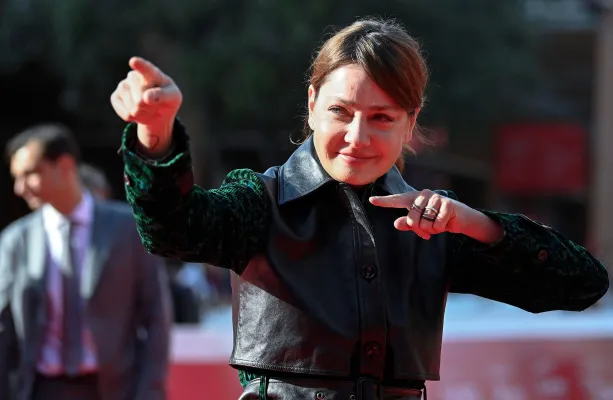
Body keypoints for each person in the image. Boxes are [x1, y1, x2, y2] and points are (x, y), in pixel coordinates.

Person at [110, 18, 609, 400]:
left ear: (410, 122)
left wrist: (477, 225)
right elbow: (172, 229)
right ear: (311, 104)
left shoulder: (436, 225)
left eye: (381, 118)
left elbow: (582, 284)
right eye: (340, 112)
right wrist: (155, 136)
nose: (357, 137)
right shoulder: (260, 203)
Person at [0, 123, 172, 400]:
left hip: (114, 389)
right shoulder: (16, 241)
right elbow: (4, 328)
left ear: (65, 166)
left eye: (30, 174)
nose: (20, 188)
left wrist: (150, 392)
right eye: (16, 178)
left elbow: (156, 318)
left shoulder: (128, 230)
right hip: (41, 389)